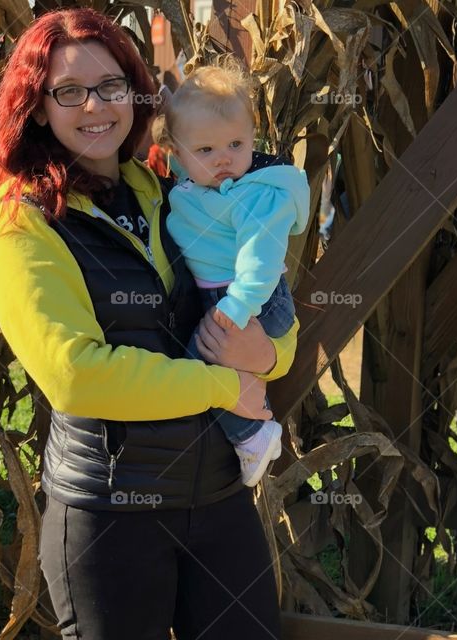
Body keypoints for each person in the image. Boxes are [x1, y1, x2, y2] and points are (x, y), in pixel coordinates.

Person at [0, 8, 296, 638]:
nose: (95, 105)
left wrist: (268, 356)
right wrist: (221, 386)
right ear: (39, 107)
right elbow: (76, 376)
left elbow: (261, 317)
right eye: (70, 91)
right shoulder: (24, 225)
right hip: (109, 512)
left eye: (111, 86)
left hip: (216, 495)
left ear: (135, 94)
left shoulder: (168, 191)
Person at [157, 62, 310, 486]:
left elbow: (260, 257)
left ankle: (254, 435)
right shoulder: (191, 187)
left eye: (236, 144)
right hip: (225, 299)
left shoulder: (257, 194)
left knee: (198, 363)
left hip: (252, 302)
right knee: (203, 368)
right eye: (205, 151)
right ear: (178, 153)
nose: (224, 158)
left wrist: (239, 306)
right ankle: (248, 428)